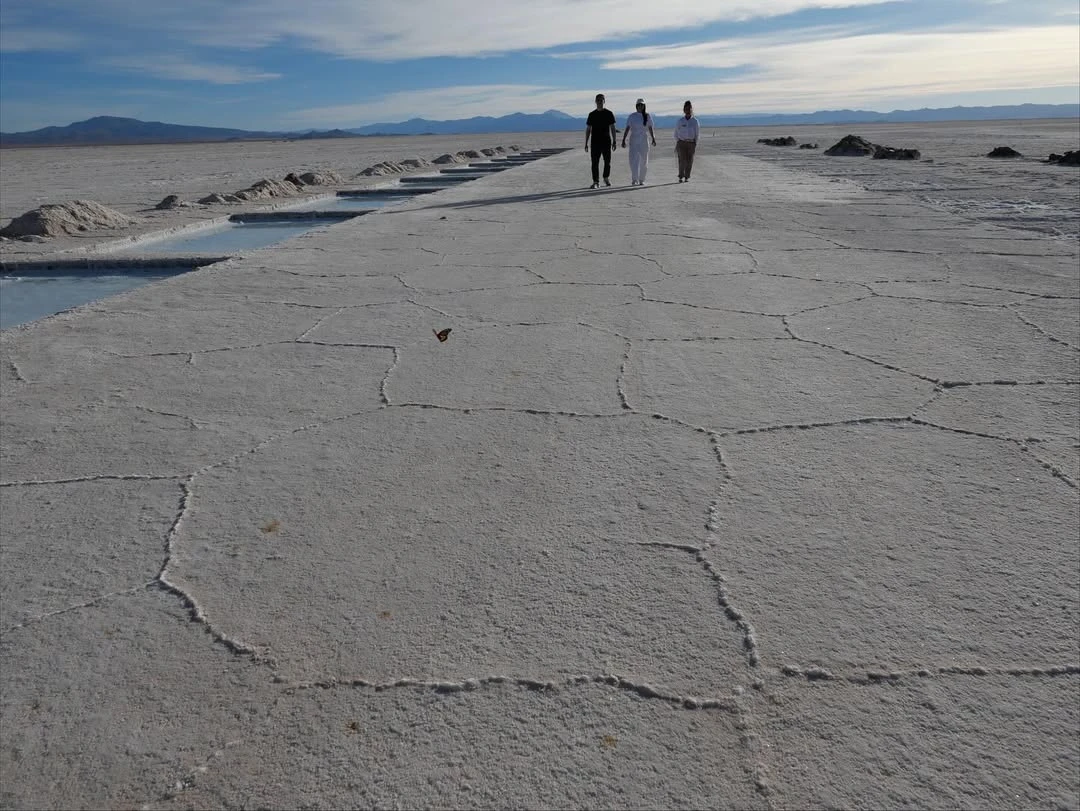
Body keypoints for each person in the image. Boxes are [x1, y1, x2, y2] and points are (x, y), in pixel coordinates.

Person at [621, 98, 657, 186]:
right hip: (634, 139)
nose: (640, 106)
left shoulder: (647, 116)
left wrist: (653, 138)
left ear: (644, 106)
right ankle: (634, 179)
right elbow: (628, 128)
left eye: (642, 105)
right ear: (636, 106)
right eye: (639, 105)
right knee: (633, 159)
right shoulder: (632, 116)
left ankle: (641, 179)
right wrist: (623, 139)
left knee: (644, 160)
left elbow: (650, 127)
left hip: (644, 139)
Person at [584, 93, 617, 188]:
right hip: (595, 142)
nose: (599, 102)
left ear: (604, 101)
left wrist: (614, 141)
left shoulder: (609, 114)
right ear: (595, 102)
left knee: (607, 162)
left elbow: (613, 128)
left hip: (606, 141)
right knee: (594, 163)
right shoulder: (592, 115)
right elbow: (588, 129)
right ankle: (596, 181)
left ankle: (606, 177)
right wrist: (586, 143)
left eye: (601, 100)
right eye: (598, 100)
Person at [674, 99, 699, 182]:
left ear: (691, 109)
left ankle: (687, 176)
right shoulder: (680, 121)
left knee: (689, 160)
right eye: (686, 109)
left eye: (689, 109)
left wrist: (695, 143)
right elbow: (676, 132)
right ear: (684, 110)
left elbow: (697, 133)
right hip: (681, 143)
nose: (688, 110)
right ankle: (681, 175)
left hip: (691, 143)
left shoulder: (695, 121)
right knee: (682, 160)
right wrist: (678, 141)